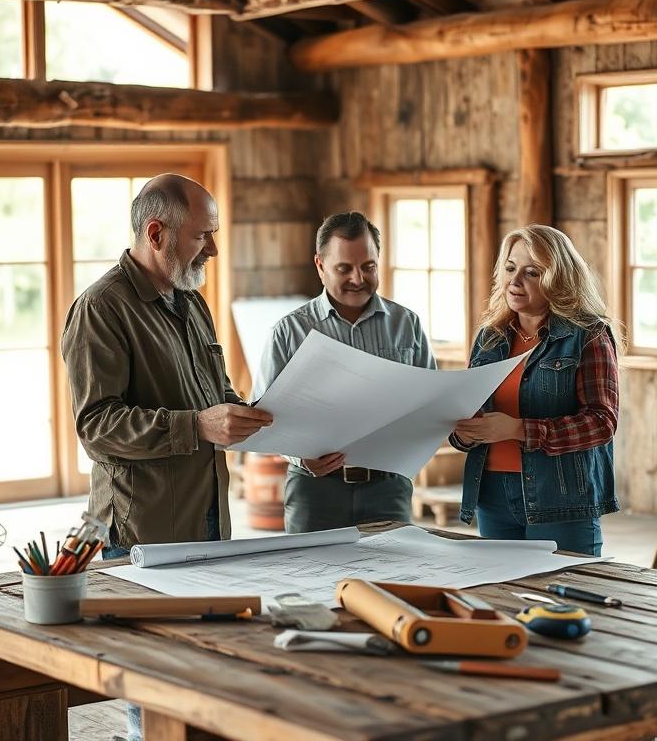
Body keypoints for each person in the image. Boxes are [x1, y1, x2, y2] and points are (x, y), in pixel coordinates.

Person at [62, 174, 272, 741]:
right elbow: (95, 426)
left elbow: (218, 397)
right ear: (157, 233)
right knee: (153, 680)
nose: (215, 249)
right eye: (205, 236)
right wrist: (197, 425)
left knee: (206, 668)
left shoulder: (192, 302)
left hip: (209, 517)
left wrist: (279, 427)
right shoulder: (101, 309)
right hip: (142, 528)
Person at [253, 211, 435, 533]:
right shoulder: (288, 332)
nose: (358, 278)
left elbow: (430, 403)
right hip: (315, 489)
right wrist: (300, 458)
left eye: (368, 266)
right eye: (344, 268)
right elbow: (262, 416)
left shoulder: (407, 325)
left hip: (388, 487)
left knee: (392, 580)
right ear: (321, 266)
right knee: (313, 581)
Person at [450, 224, 620, 556]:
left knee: (566, 598)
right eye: (510, 268)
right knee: (503, 598)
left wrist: (517, 429)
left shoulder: (589, 335)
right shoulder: (490, 337)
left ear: (558, 278)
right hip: (492, 495)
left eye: (532, 272)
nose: (515, 281)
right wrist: (465, 433)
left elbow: (602, 422)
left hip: (561, 495)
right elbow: (468, 415)